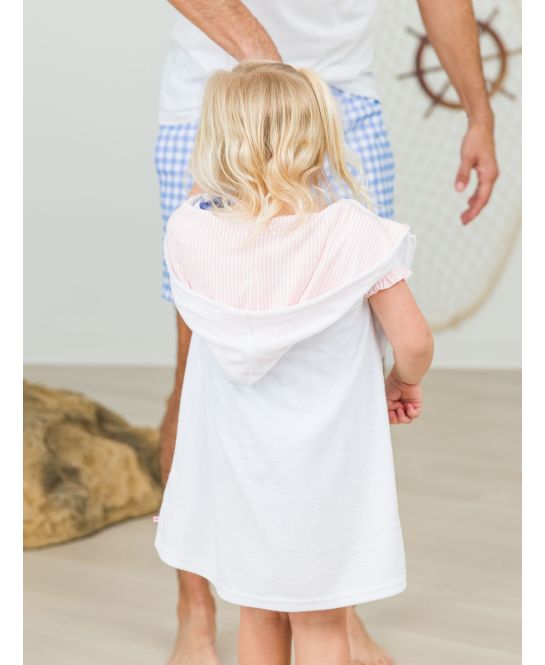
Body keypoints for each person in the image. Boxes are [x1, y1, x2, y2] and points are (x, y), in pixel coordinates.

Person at [154, 3, 497, 664]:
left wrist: (217, 174)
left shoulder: (189, 233)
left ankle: (212, 609)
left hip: (244, 482)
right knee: (319, 624)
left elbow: (203, 211)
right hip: (326, 484)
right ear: (325, 145)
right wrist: (402, 379)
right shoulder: (357, 235)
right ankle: (194, 616)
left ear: (214, 148)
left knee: (259, 615)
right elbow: (413, 340)